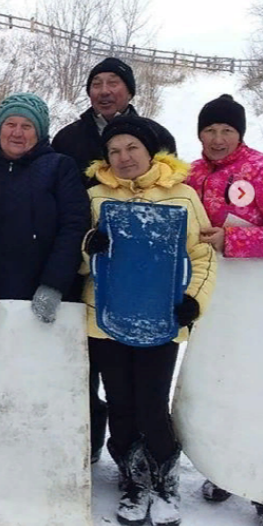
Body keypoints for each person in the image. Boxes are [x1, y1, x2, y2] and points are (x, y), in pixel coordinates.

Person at [82, 116, 216, 526]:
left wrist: (193, 301)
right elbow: (78, 259)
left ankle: (164, 480)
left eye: (132, 149)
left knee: (152, 405)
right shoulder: (95, 197)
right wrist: (90, 248)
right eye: (115, 152)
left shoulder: (184, 195)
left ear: (150, 151)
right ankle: (133, 480)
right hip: (105, 320)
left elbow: (203, 255)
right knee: (120, 403)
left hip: (161, 320)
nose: (124, 158)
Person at [52, 56, 177, 464]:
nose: (104, 90)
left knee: (142, 382)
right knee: (86, 366)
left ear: (129, 90)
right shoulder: (68, 139)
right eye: (97, 83)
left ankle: (147, 453)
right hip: (87, 272)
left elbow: (173, 201)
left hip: (146, 281)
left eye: (114, 83)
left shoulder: (158, 135)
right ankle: (89, 437)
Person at [0, 91, 89, 325]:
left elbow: (73, 227)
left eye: (27, 126)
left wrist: (54, 285)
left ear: (39, 132)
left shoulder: (59, 168)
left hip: (42, 300)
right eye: (10, 124)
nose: (17, 133)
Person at [185, 94, 263, 524]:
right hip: (207, 296)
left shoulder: (259, 169)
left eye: (226, 130)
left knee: (252, 389)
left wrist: (232, 241)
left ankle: (258, 477)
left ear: (240, 133)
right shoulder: (190, 174)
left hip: (251, 301)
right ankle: (222, 467)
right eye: (210, 130)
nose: (217, 139)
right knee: (214, 381)